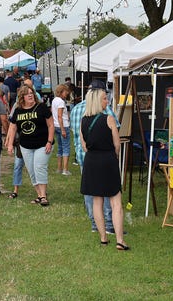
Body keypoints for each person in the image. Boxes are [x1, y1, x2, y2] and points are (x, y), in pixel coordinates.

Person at [80, 86, 129, 250]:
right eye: (104, 98)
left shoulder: (83, 121)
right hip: (107, 160)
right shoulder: (109, 119)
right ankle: (120, 240)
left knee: (97, 201)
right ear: (96, 101)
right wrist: (111, 155)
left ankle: (103, 238)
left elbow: (84, 146)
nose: (107, 101)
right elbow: (117, 145)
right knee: (116, 202)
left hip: (91, 161)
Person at [71, 79, 119, 234]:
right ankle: (109, 225)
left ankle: (94, 224)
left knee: (90, 193)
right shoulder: (106, 113)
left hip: (86, 156)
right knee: (107, 193)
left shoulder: (76, 110)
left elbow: (77, 135)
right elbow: (115, 135)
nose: (106, 99)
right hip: (105, 157)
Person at [6, 84, 54, 206]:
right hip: (25, 145)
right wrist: (10, 144)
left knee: (39, 167)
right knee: (31, 171)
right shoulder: (18, 110)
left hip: (42, 144)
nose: (30, 95)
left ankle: (43, 196)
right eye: (27, 94)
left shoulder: (41, 107)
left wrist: (49, 141)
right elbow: (12, 128)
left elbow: (51, 125)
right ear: (22, 97)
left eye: (31, 93)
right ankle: (39, 194)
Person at [52, 84, 72, 176]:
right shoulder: (60, 102)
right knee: (66, 147)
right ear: (61, 92)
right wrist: (63, 129)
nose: (67, 93)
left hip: (56, 125)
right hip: (63, 126)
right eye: (65, 91)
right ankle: (65, 169)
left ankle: (59, 168)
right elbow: (60, 116)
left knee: (60, 147)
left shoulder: (54, 100)